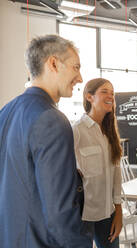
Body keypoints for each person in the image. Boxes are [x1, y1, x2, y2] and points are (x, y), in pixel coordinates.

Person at [0, 35, 92, 247]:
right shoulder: (52, 119)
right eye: (76, 67)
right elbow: (59, 214)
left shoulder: (5, 112)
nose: (80, 77)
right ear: (53, 63)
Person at [72, 78, 123, 248]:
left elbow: (116, 174)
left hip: (108, 215)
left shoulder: (110, 133)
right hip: (82, 216)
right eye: (104, 92)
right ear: (89, 97)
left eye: (112, 93)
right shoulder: (76, 131)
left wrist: (119, 211)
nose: (110, 96)